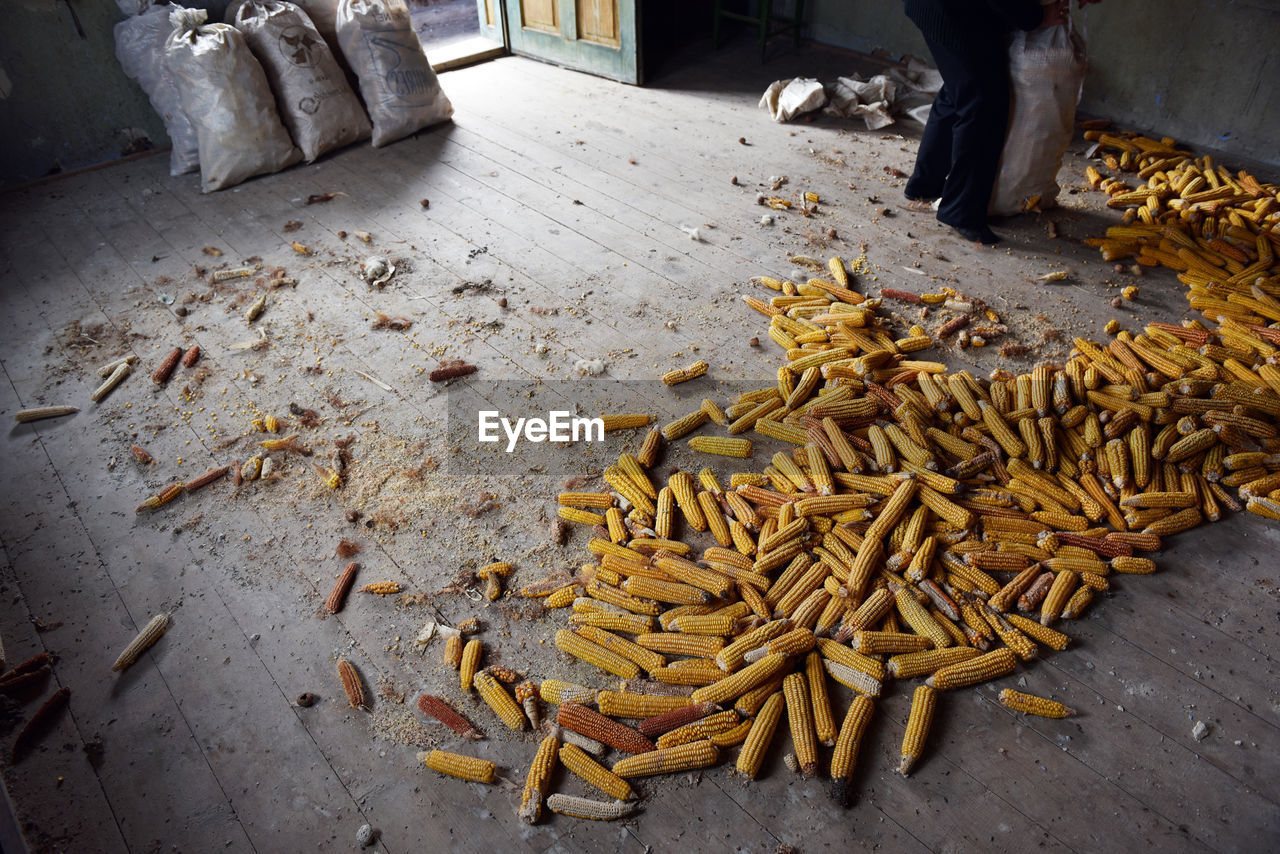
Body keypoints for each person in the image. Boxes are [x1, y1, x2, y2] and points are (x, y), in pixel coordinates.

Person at [902, 0, 1074, 245]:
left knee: (960, 89)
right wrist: (1034, 16)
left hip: (951, 9)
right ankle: (960, 211)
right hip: (948, 10)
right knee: (983, 102)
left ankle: (925, 183)